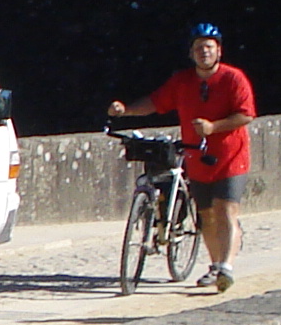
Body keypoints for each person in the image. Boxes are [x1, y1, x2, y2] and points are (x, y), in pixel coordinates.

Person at [109, 22, 257, 293]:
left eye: (209, 48)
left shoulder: (234, 79)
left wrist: (213, 127)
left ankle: (226, 266)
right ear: (191, 53)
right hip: (196, 157)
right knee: (206, 215)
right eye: (199, 48)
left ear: (219, 51)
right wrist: (125, 110)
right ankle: (215, 268)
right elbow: (156, 102)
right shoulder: (182, 81)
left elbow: (246, 114)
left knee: (226, 209)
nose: (204, 52)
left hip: (230, 157)